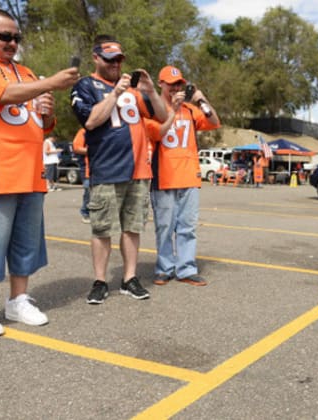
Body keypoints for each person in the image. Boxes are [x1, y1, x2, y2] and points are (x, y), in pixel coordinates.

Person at [0, 8, 79, 337]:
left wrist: (48, 114)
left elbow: (43, 125)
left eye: (16, 37)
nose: (12, 43)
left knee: (26, 243)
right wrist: (50, 83)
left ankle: (18, 299)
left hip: (31, 172)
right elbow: (3, 95)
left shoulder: (27, 72)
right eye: (4, 36)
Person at [71, 35, 168, 304]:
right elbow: (90, 121)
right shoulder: (85, 85)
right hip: (106, 169)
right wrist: (114, 93)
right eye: (110, 59)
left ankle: (129, 278)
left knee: (132, 228)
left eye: (119, 59)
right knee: (102, 229)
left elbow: (161, 115)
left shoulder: (135, 91)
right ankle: (100, 280)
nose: (116, 64)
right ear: (96, 58)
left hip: (138, 170)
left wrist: (150, 91)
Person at [144, 66, 220, 286]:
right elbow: (156, 134)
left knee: (188, 226)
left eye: (179, 84)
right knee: (165, 227)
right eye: (171, 84)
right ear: (161, 84)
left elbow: (213, 121)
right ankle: (164, 268)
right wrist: (172, 109)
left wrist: (201, 98)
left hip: (189, 175)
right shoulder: (152, 109)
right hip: (164, 176)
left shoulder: (189, 110)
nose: (176, 88)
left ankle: (186, 268)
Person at [71, 128, 90, 223]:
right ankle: (86, 213)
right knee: (89, 191)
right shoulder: (83, 131)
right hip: (88, 169)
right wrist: (96, 150)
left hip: (106, 168)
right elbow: (77, 148)